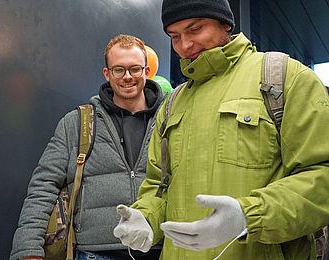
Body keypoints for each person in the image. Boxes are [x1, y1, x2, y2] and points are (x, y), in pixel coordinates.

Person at [113, 0, 329, 259]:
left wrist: (248, 217)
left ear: (225, 23)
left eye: (195, 29)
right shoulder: (172, 104)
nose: (184, 45)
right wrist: (145, 216)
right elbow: (159, 185)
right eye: (175, 36)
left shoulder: (284, 78)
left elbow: (321, 175)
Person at [10, 34, 164, 260]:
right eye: (119, 70)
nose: (127, 77)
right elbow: (43, 186)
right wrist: (27, 249)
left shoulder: (169, 119)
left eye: (135, 69)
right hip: (94, 252)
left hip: (158, 249)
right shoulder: (77, 123)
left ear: (146, 71)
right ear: (107, 73)